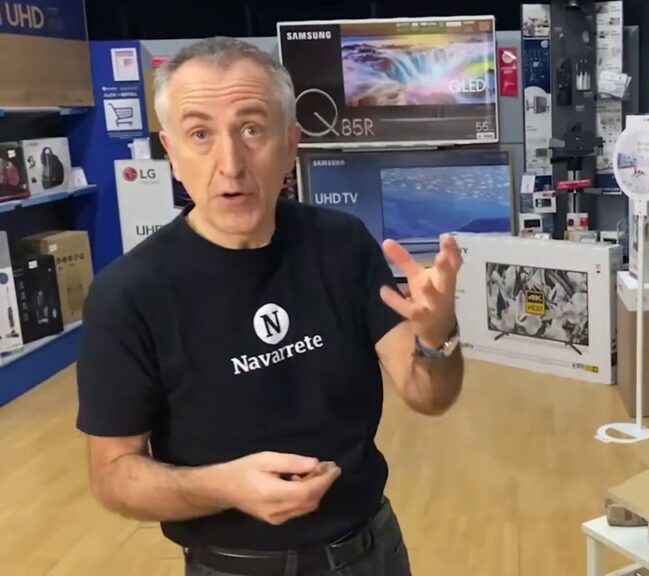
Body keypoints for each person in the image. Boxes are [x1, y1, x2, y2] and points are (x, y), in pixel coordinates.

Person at [75, 36, 465, 576]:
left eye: (252, 130)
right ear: (171, 152)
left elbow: (428, 394)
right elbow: (113, 473)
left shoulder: (343, 245)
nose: (230, 164)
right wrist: (225, 486)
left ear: (290, 143)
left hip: (372, 552)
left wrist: (438, 335)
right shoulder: (127, 294)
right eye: (200, 134)